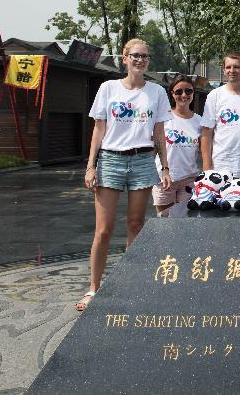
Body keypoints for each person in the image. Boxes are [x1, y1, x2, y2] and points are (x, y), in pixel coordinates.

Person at [78, 39, 172, 311]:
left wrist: (164, 167)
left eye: (144, 56)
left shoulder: (156, 92)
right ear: (124, 58)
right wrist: (91, 165)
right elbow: (98, 129)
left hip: (143, 159)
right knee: (103, 230)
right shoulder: (108, 88)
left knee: (135, 224)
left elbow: (159, 133)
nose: (140, 60)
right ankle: (93, 288)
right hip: (110, 159)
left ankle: (131, 284)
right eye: (135, 56)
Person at [152, 75, 202, 218]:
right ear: (172, 94)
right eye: (179, 92)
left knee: (186, 222)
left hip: (189, 179)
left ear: (193, 93)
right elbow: (154, 149)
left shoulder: (199, 121)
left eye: (188, 91)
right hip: (164, 179)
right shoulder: (163, 118)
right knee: (165, 223)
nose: (184, 95)